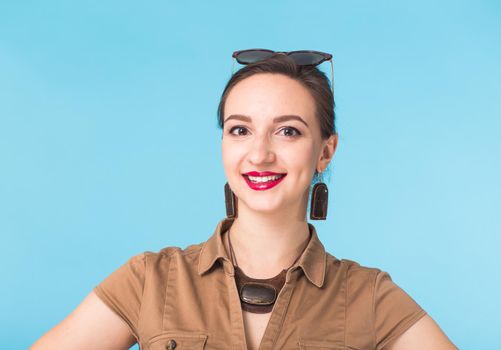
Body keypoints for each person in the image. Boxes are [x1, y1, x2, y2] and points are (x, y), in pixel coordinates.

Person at [31, 49, 458, 350]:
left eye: (288, 130)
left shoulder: (369, 296)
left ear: (325, 151)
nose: (260, 154)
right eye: (240, 130)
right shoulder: (149, 280)